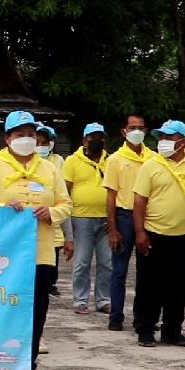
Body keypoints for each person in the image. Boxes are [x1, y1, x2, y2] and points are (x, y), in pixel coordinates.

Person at [0, 111, 72, 370]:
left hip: (40, 251)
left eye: (30, 134)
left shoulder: (50, 169)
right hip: (2, 252)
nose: (26, 139)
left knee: (36, 307)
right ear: (7, 139)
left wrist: (51, 212)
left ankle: (27, 362)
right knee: (1, 304)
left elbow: (66, 204)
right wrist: (1, 208)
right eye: (19, 134)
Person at [133, 120, 185, 348]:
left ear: (183, 141)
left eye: (169, 137)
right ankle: (145, 329)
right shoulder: (150, 165)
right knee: (149, 285)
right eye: (161, 137)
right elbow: (139, 201)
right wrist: (139, 232)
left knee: (180, 286)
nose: (163, 141)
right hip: (155, 232)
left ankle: (172, 330)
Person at [102, 114, 154, 331]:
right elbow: (110, 196)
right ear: (124, 131)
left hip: (148, 217)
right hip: (124, 216)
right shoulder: (115, 159)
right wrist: (112, 228)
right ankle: (116, 316)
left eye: (141, 127)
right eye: (132, 127)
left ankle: (142, 317)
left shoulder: (153, 157)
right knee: (119, 270)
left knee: (147, 271)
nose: (137, 131)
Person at [63, 122, 111, 315]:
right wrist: (68, 221)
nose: (96, 141)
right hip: (81, 218)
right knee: (82, 262)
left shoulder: (111, 160)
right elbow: (65, 191)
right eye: (92, 138)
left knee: (107, 262)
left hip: (106, 219)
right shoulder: (72, 161)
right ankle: (80, 300)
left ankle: (104, 300)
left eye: (100, 138)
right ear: (84, 141)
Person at [37, 125, 70, 299]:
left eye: (45, 142)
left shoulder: (57, 162)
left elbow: (64, 199)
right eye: (38, 142)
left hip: (50, 217)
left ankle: (50, 283)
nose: (41, 146)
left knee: (51, 254)